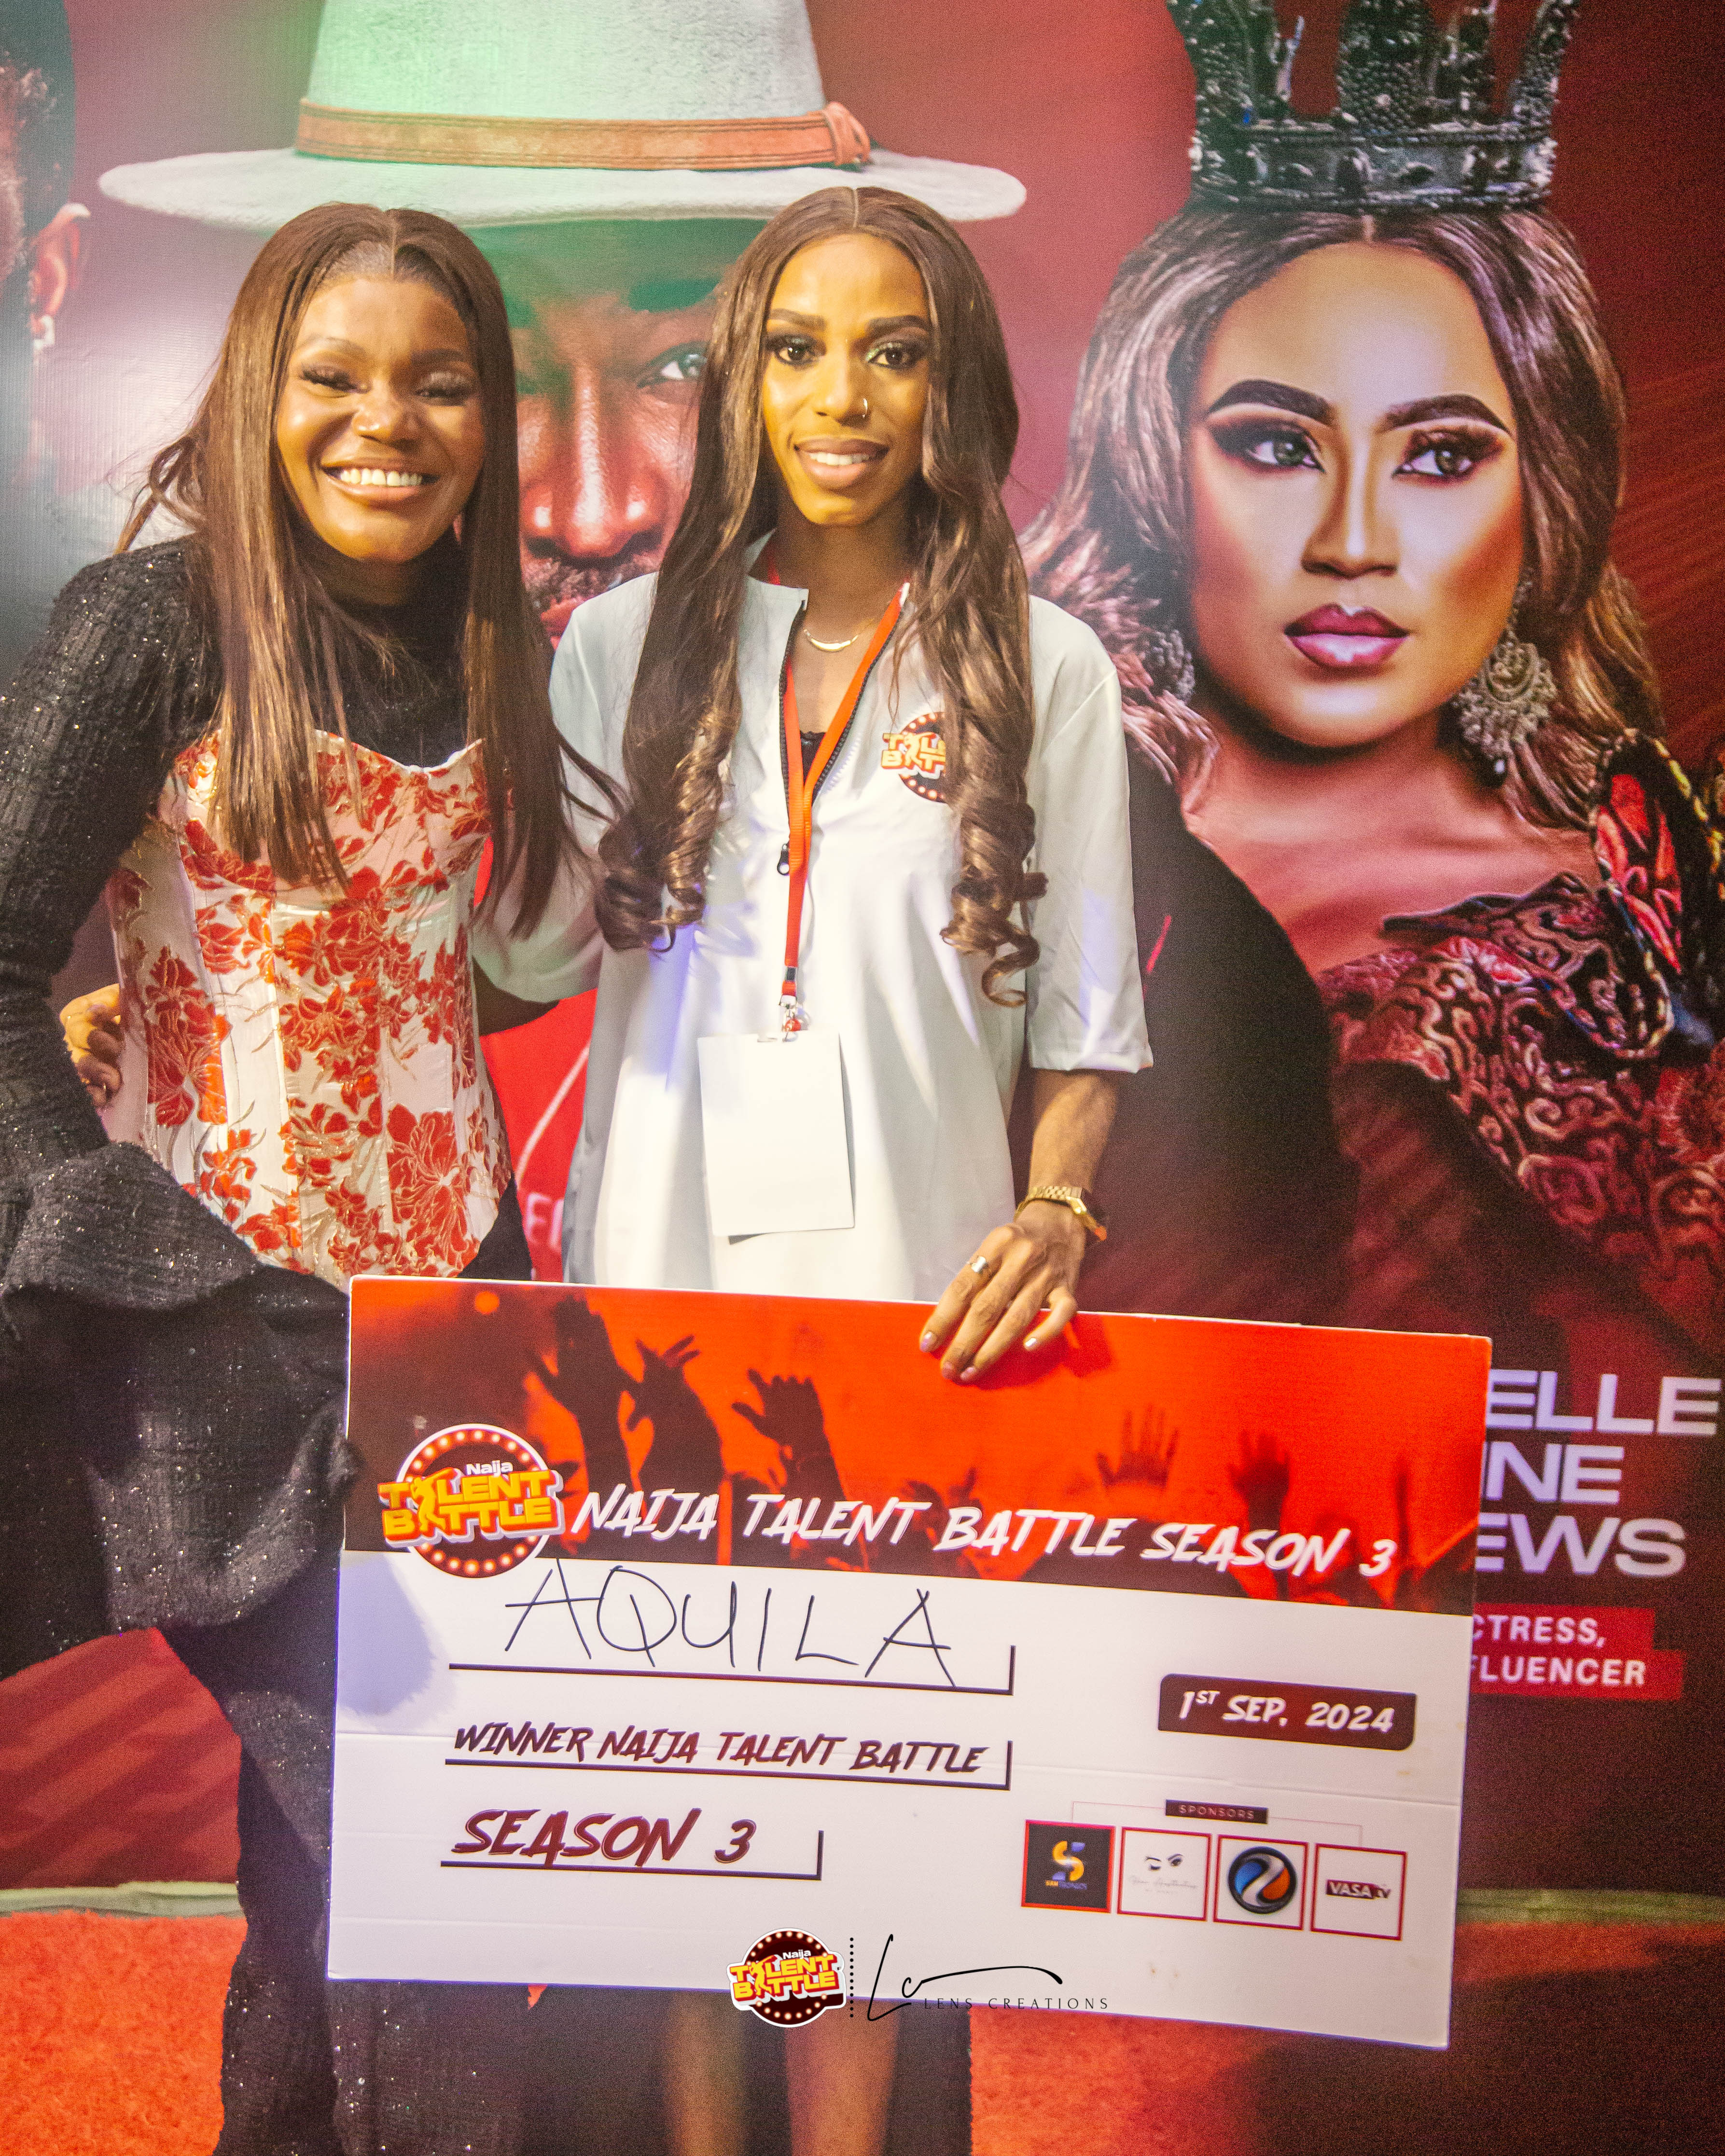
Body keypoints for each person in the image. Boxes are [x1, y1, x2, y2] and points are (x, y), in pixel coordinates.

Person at [473, 181, 1150, 2155]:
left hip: (911, 1322)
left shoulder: (1045, 665)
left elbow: (1088, 1018)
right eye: (794, 349)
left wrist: (1056, 1208)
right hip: (652, 1305)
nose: (841, 394)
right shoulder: (619, 647)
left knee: (856, 1817)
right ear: (742, 384)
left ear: (955, 385)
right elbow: (521, 946)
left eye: (892, 349)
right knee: (690, 1801)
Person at [1025, 0, 1724, 1889]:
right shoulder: (1004, 833)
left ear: (1543, 492)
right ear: (1154, 465)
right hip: (1012, 1714)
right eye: (1274, 443)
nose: (1352, 537)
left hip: (1498, 1810)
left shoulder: (1655, 929)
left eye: (1439, 454)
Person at [1, 200, 583, 2155]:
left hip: (455, 1321)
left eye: (438, 383)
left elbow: (448, 967)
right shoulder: (151, 623)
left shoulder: (493, 637)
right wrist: (99, 1232)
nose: (385, 422)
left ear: (491, 420)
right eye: (335, 377)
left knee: (343, 1848)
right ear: (261, 391)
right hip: (214, 1332)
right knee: (399, 1835)